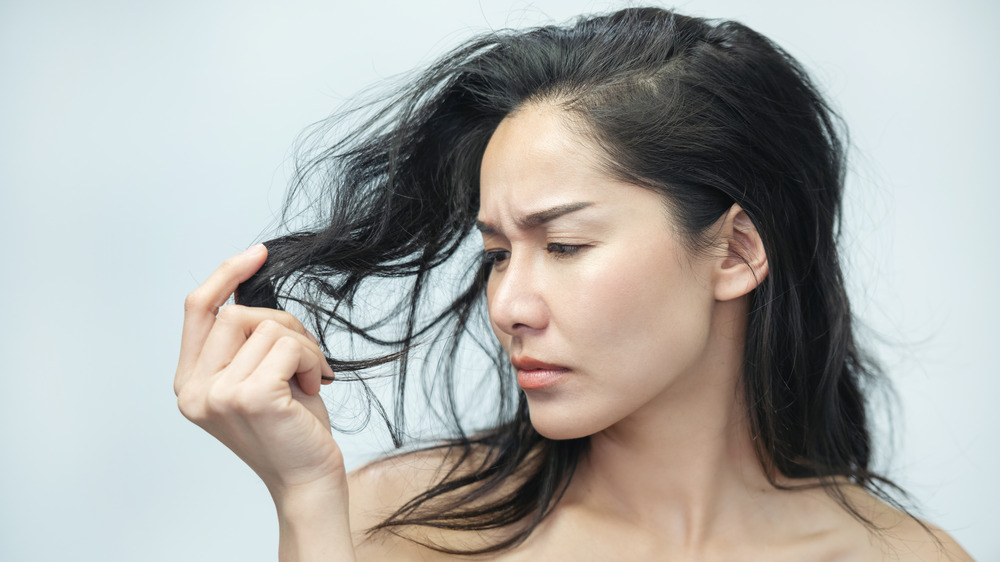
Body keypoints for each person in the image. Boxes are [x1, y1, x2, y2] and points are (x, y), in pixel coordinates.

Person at [174, 7, 972, 560]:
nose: (509, 307)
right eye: (495, 254)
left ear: (734, 252)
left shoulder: (905, 556)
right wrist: (307, 499)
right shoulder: (394, 526)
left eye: (562, 244)